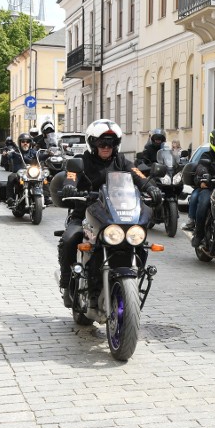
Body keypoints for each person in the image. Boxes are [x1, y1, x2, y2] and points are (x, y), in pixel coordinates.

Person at [58, 119, 162, 307]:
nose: (106, 147)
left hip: (117, 215)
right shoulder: (82, 161)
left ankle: (133, 276)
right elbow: (71, 177)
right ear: (92, 143)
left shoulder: (122, 161)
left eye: (111, 143)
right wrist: (69, 187)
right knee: (69, 239)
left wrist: (152, 188)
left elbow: (139, 176)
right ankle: (67, 283)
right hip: (86, 214)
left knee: (139, 238)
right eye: (101, 143)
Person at [6, 133, 39, 203]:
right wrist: (7, 153)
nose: (25, 143)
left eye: (27, 142)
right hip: (18, 173)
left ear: (30, 143)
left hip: (31, 174)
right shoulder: (16, 152)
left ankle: (46, 197)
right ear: (20, 142)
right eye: (23, 141)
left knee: (43, 177)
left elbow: (40, 156)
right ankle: (10, 198)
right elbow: (10, 155)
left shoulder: (33, 152)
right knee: (11, 177)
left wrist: (48, 154)